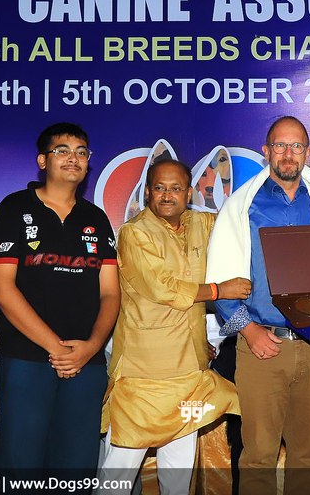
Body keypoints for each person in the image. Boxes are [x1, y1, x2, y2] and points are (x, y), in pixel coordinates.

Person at [207, 116, 310, 495]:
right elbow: (222, 277)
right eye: (280, 145)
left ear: (308, 152)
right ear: (266, 151)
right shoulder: (243, 207)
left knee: (309, 455)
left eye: (296, 146)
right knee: (258, 455)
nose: (288, 154)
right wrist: (248, 329)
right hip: (261, 346)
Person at [98, 159, 249, 494]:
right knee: (119, 470)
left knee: (179, 472)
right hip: (143, 374)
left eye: (176, 188)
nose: (167, 195)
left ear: (189, 193)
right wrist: (219, 291)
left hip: (188, 371)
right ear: (147, 192)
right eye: (159, 188)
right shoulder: (134, 233)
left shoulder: (203, 224)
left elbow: (242, 223)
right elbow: (164, 289)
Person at [0, 122, 121, 491]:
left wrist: (92, 347)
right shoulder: (15, 207)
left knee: (76, 468)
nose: (73, 158)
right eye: (62, 150)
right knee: (20, 466)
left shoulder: (96, 218)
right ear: (42, 160)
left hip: (86, 362)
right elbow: (1, 288)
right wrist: (56, 348)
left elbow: (111, 293)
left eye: (81, 152)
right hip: (27, 357)